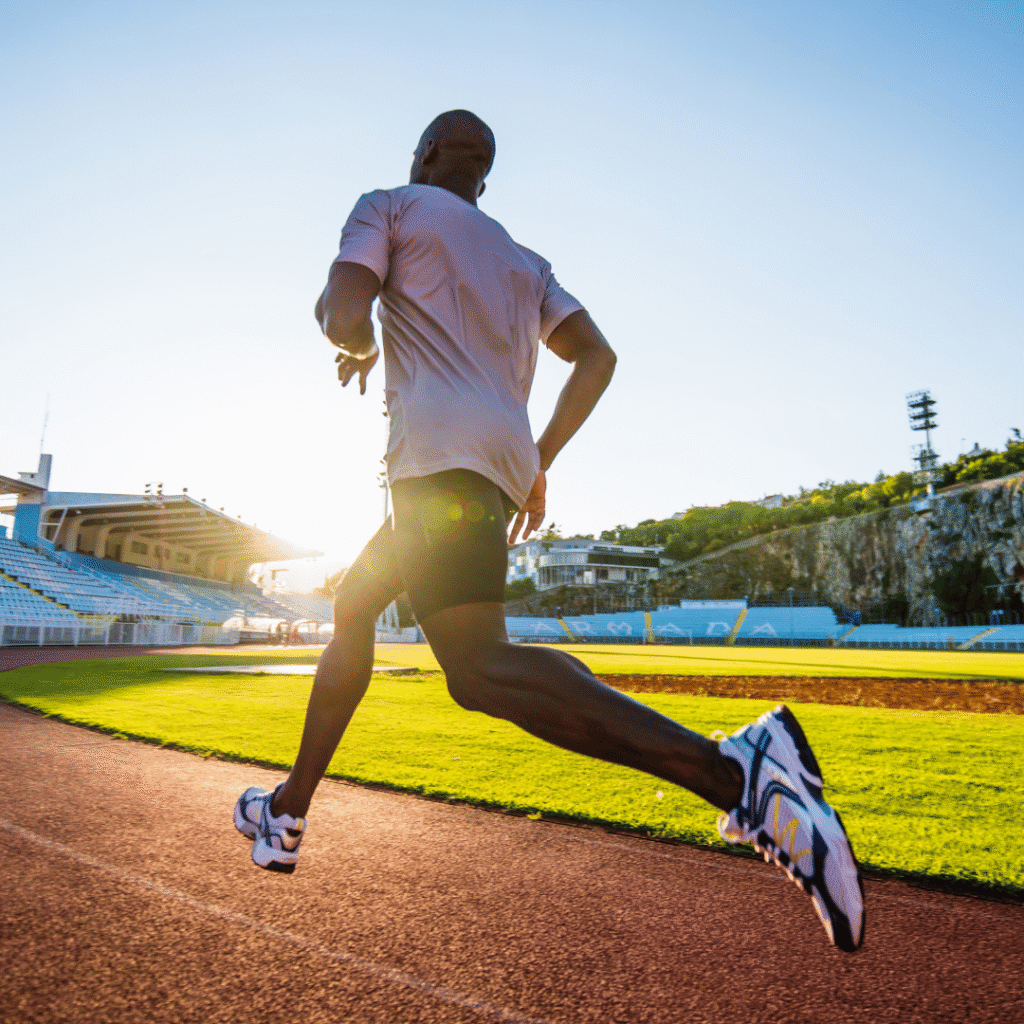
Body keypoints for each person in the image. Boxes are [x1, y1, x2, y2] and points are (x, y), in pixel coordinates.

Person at [234, 110, 864, 952]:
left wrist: (352, 340)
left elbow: (341, 310)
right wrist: (539, 457)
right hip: (487, 465)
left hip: (436, 463)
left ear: (423, 156)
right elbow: (597, 356)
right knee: (356, 608)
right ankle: (287, 812)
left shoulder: (387, 206)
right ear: (484, 177)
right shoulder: (526, 263)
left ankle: (738, 772)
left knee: (480, 671)